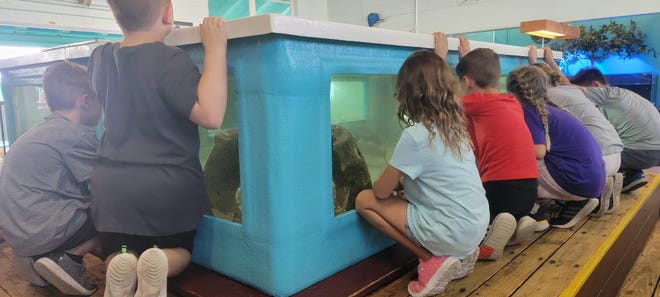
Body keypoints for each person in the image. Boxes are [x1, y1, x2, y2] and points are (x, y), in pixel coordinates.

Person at [87, 0, 228, 295]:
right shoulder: (169, 60)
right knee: (179, 248)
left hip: (112, 189)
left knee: (121, 247)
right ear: (169, 13)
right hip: (165, 187)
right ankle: (161, 261)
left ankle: (119, 261)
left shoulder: (99, 58)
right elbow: (211, 115)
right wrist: (215, 50)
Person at [355, 34, 489, 297]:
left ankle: (429, 258)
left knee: (364, 199)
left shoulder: (415, 135)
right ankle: (462, 255)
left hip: (452, 231)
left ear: (405, 93)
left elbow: (381, 193)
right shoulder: (455, 127)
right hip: (477, 225)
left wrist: (392, 184)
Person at [0, 61, 102, 295]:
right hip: (45, 234)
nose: (101, 110)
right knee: (116, 204)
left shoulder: (36, 133)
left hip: (19, 239)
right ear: (85, 101)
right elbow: (106, 185)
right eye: (100, 102)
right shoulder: (76, 135)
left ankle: (38, 260)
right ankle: (69, 259)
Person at [447, 35, 538, 260]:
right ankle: (518, 221)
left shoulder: (475, 102)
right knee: (507, 214)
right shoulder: (511, 102)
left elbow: (441, 102)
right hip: (529, 189)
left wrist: (440, 57)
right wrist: (466, 60)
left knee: (470, 224)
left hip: (500, 187)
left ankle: (490, 234)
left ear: (467, 82)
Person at [528, 47, 624, 216]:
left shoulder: (546, 99)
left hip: (597, 159)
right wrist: (547, 61)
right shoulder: (570, 90)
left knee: (535, 155)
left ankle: (577, 201)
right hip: (615, 155)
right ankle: (601, 188)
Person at [507, 66, 605, 229]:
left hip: (578, 181)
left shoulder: (529, 111)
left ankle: (532, 211)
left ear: (511, 93)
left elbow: (538, 152)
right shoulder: (549, 108)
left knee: (515, 157)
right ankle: (577, 202)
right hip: (591, 179)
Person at [570, 68, 660, 193]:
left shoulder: (605, 95)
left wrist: (551, 62)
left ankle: (595, 194)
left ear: (595, 85)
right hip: (654, 152)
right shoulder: (624, 93)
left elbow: (568, 89)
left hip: (641, 153)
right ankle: (631, 175)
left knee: (589, 155)